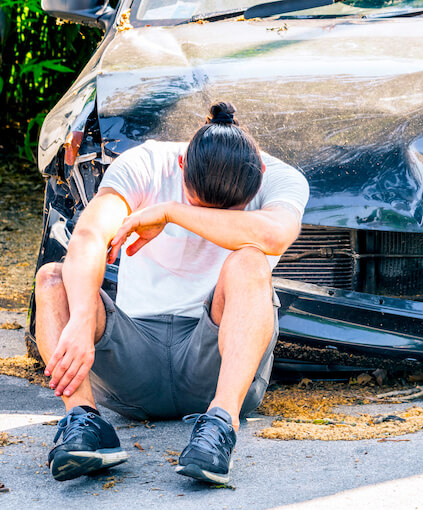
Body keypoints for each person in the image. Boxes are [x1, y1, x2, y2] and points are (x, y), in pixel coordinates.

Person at [34, 102, 309, 484]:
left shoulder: (282, 177)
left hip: (215, 363)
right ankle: (84, 423)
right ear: (182, 165)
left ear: (259, 173)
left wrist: (172, 212)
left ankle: (219, 427)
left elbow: (275, 234)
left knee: (250, 260)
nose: (212, 218)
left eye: (229, 213)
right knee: (52, 279)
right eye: (198, 204)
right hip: (134, 362)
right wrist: (81, 317)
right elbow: (90, 235)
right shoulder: (146, 163)